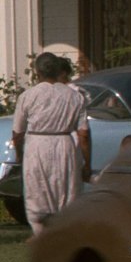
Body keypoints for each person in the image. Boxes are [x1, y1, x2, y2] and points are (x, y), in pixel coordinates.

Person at [11, 53, 91, 236]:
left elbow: (17, 132)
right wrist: (86, 163)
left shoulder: (28, 96)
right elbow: (83, 134)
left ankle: (42, 234)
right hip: (65, 146)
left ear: (37, 72)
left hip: (37, 146)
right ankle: (65, 233)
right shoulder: (74, 96)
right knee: (66, 192)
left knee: (37, 194)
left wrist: (19, 154)